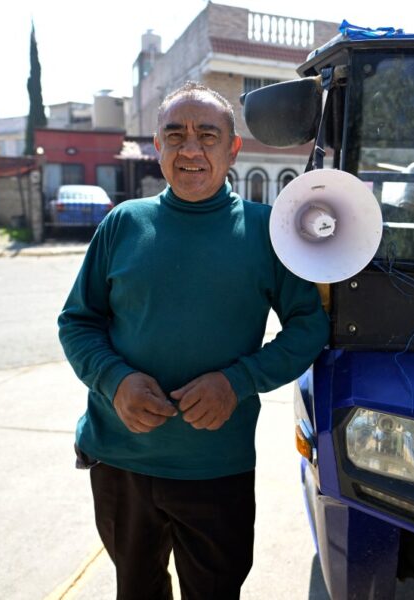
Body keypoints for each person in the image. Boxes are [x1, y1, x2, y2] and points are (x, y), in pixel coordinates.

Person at [58, 81, 329, 600]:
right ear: (156, 146)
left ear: (233, 149)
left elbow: (308, 326)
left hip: (215, 466)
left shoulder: (266, 231)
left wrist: (238, 381)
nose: (190, 149)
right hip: (119, 459)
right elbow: (77, 321)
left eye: (207, 135)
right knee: (136, 589)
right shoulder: (122, 224)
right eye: (175, 134)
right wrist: (115, 382)